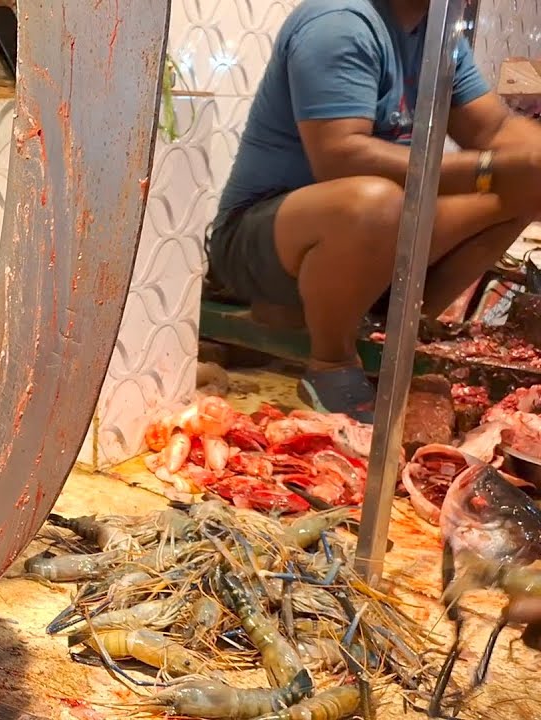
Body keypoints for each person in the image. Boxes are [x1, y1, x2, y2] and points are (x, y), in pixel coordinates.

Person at [207, 0, 541, 423]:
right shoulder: (342, 23)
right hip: (259, 239)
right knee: (377, 203)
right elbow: (341, 157)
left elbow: (495, 130)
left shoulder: (438, 36)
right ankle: (331, 363)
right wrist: (491, 170)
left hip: (370, 234)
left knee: (524, 192)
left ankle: (403, 330)